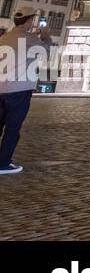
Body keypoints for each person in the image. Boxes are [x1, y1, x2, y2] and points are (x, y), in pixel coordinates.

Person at [0, 13, 51, 175]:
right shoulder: (30, 38)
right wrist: (45, 35)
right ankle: (3, 164)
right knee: (12, 128)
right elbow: (46, 51)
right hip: (19, 90)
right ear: (29, 21)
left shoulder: (4, 37)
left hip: (1, 88)